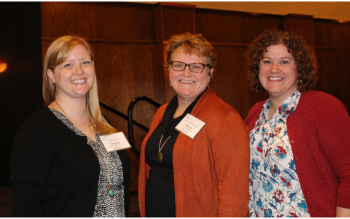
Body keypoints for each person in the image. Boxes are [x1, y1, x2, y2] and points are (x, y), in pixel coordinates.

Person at [10, 35, 130, 217]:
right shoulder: (37, 129)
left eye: (85, 62)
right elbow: (26, 208)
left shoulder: (104, 124)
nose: (79, 71)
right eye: (68, 65)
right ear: (51, 75)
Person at [138, 32, 250, 217]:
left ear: (210, 71)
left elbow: (234, 194)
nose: (186, 73)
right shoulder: (161, 112)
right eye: (178, 65)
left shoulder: (225, 118)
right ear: (168, 69)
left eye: (196, 66)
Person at [244, 29, 350, 217]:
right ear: (257, 68)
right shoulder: (254, 113)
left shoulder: (323, 107)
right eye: (267, 61)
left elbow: (348, 175)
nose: (274, 69)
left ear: (299, 68)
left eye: (284, 62)